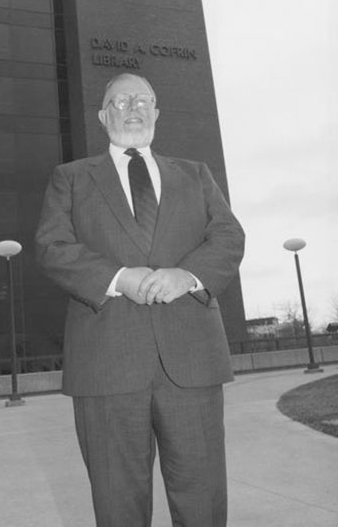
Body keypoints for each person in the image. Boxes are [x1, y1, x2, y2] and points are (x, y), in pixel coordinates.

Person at [35, 73, 245, 527]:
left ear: (156, 112)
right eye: (120, 100)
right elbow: (53, 246)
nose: (132, 107)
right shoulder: (69, 178)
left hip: (193, 363)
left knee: (203, 501)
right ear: (102, 115)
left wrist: (186, 275)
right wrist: (117, 277)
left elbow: (228, 236)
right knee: (118, 506)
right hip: (105, 367)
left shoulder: (196, 174)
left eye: (142, 100)